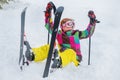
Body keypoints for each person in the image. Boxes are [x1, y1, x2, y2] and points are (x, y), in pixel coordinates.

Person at [24, 4, 97, 68]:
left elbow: (88, 33)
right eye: (68, 24)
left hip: (75, 59)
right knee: (49, 47)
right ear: (62, 26)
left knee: (70, 52)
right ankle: (33, 55)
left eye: (72, 24)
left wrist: (92, 22)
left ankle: (59, 62)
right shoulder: (59, 34)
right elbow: (49, 26)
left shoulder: (77, 34)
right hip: (61, 55)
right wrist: (48, 14)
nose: (71, 26)